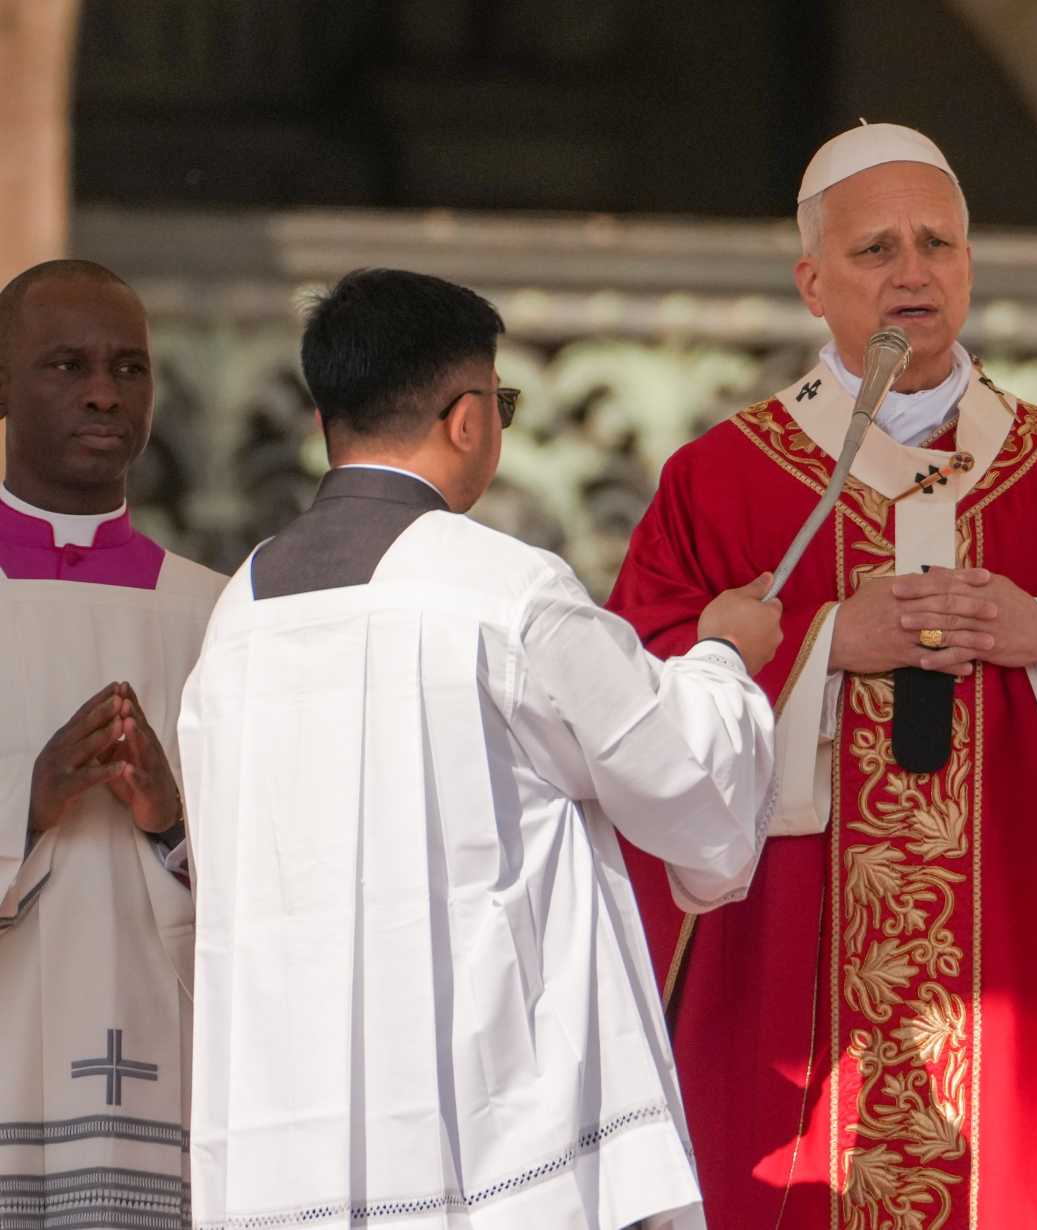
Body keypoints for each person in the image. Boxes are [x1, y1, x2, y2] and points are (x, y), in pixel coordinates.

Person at [607, 123, 1037, 1230]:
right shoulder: (723, 481)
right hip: (789, 988)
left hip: (1022, 995)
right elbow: (631, 707)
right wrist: (818, 643)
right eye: (875, 250)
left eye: (937, 244)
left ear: (970, 268)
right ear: (812, 283)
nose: (913, 273)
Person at [178, 268, 784, 1230]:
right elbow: (680, 781)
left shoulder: (239, 611)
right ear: (469, 420)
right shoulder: (504, 589)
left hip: (287, 1134)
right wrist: (722, 655)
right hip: (489, 1139)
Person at [0, 259, 223, 1227]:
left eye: (129, 369)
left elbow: (277, 884)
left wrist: (174, 822)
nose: (104, 391)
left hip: (159, 1070)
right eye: (65, 365)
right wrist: (27, 800)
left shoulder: (218, 615)